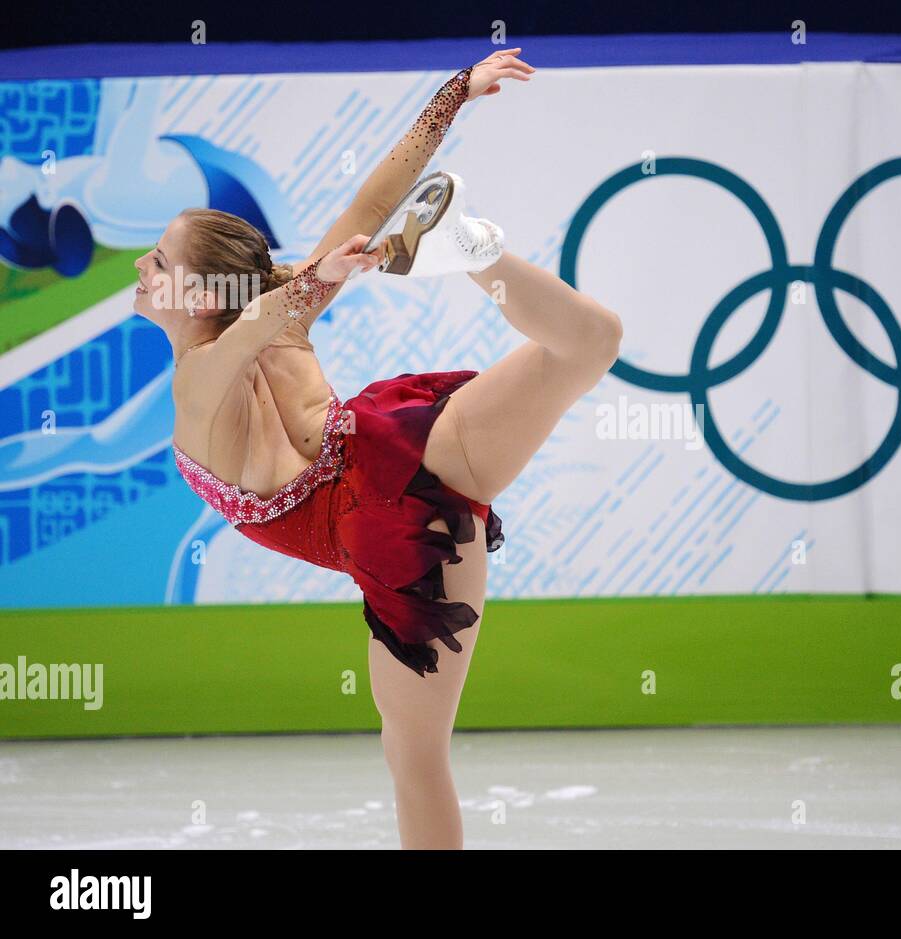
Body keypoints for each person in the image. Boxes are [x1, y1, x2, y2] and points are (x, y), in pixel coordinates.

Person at [134, 48, 623, 848]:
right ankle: (473, 254)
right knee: (414, 753)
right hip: (400, 507)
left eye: (159, 260)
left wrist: (456, 93)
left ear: (199, 292)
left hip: (394, 495)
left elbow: (373, 200)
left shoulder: (223, 363)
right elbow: (249, 327)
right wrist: (316, 277)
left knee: (416, 756)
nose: (140, 266)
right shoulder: (243, 345)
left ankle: (470, 250)